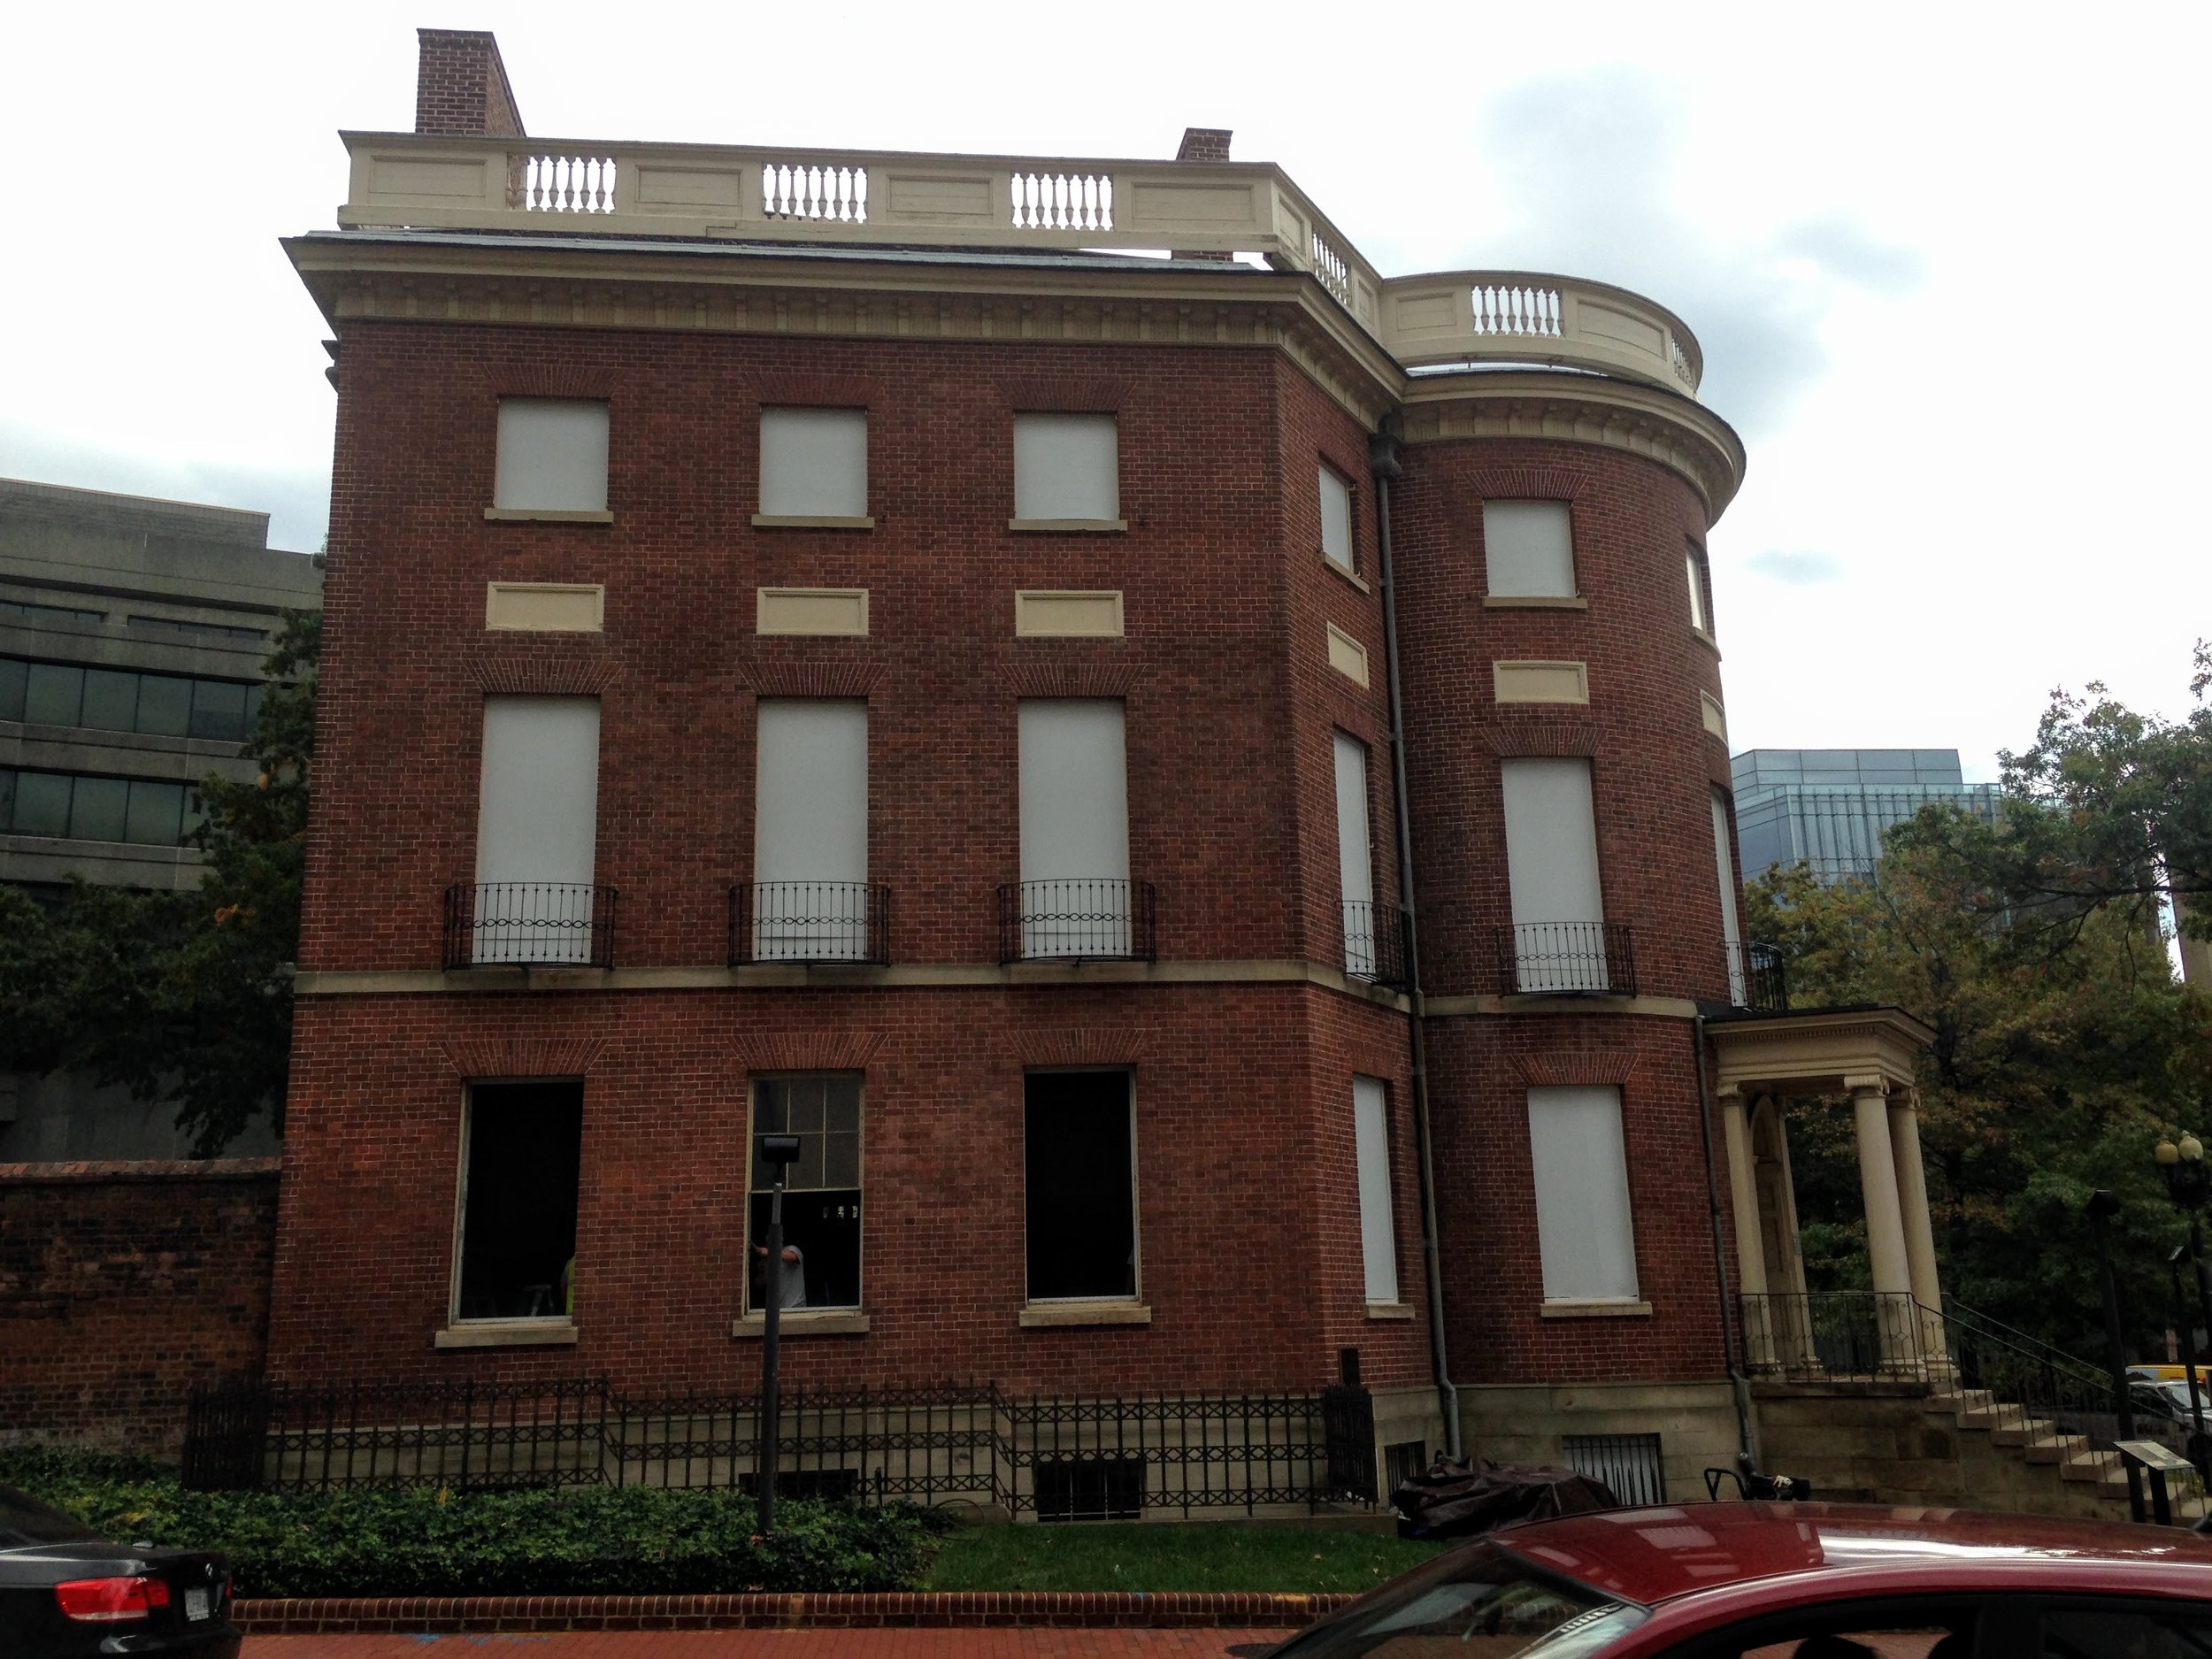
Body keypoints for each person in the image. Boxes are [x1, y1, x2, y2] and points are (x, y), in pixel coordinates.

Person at [752, 1240, 806, 1310]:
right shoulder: (769, 1262)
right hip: (779, 1308)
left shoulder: (791, 1249)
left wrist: (769, 1252)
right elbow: (759, 1285)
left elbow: (793, 1257)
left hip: (796, 1305)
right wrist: (762, 1271)